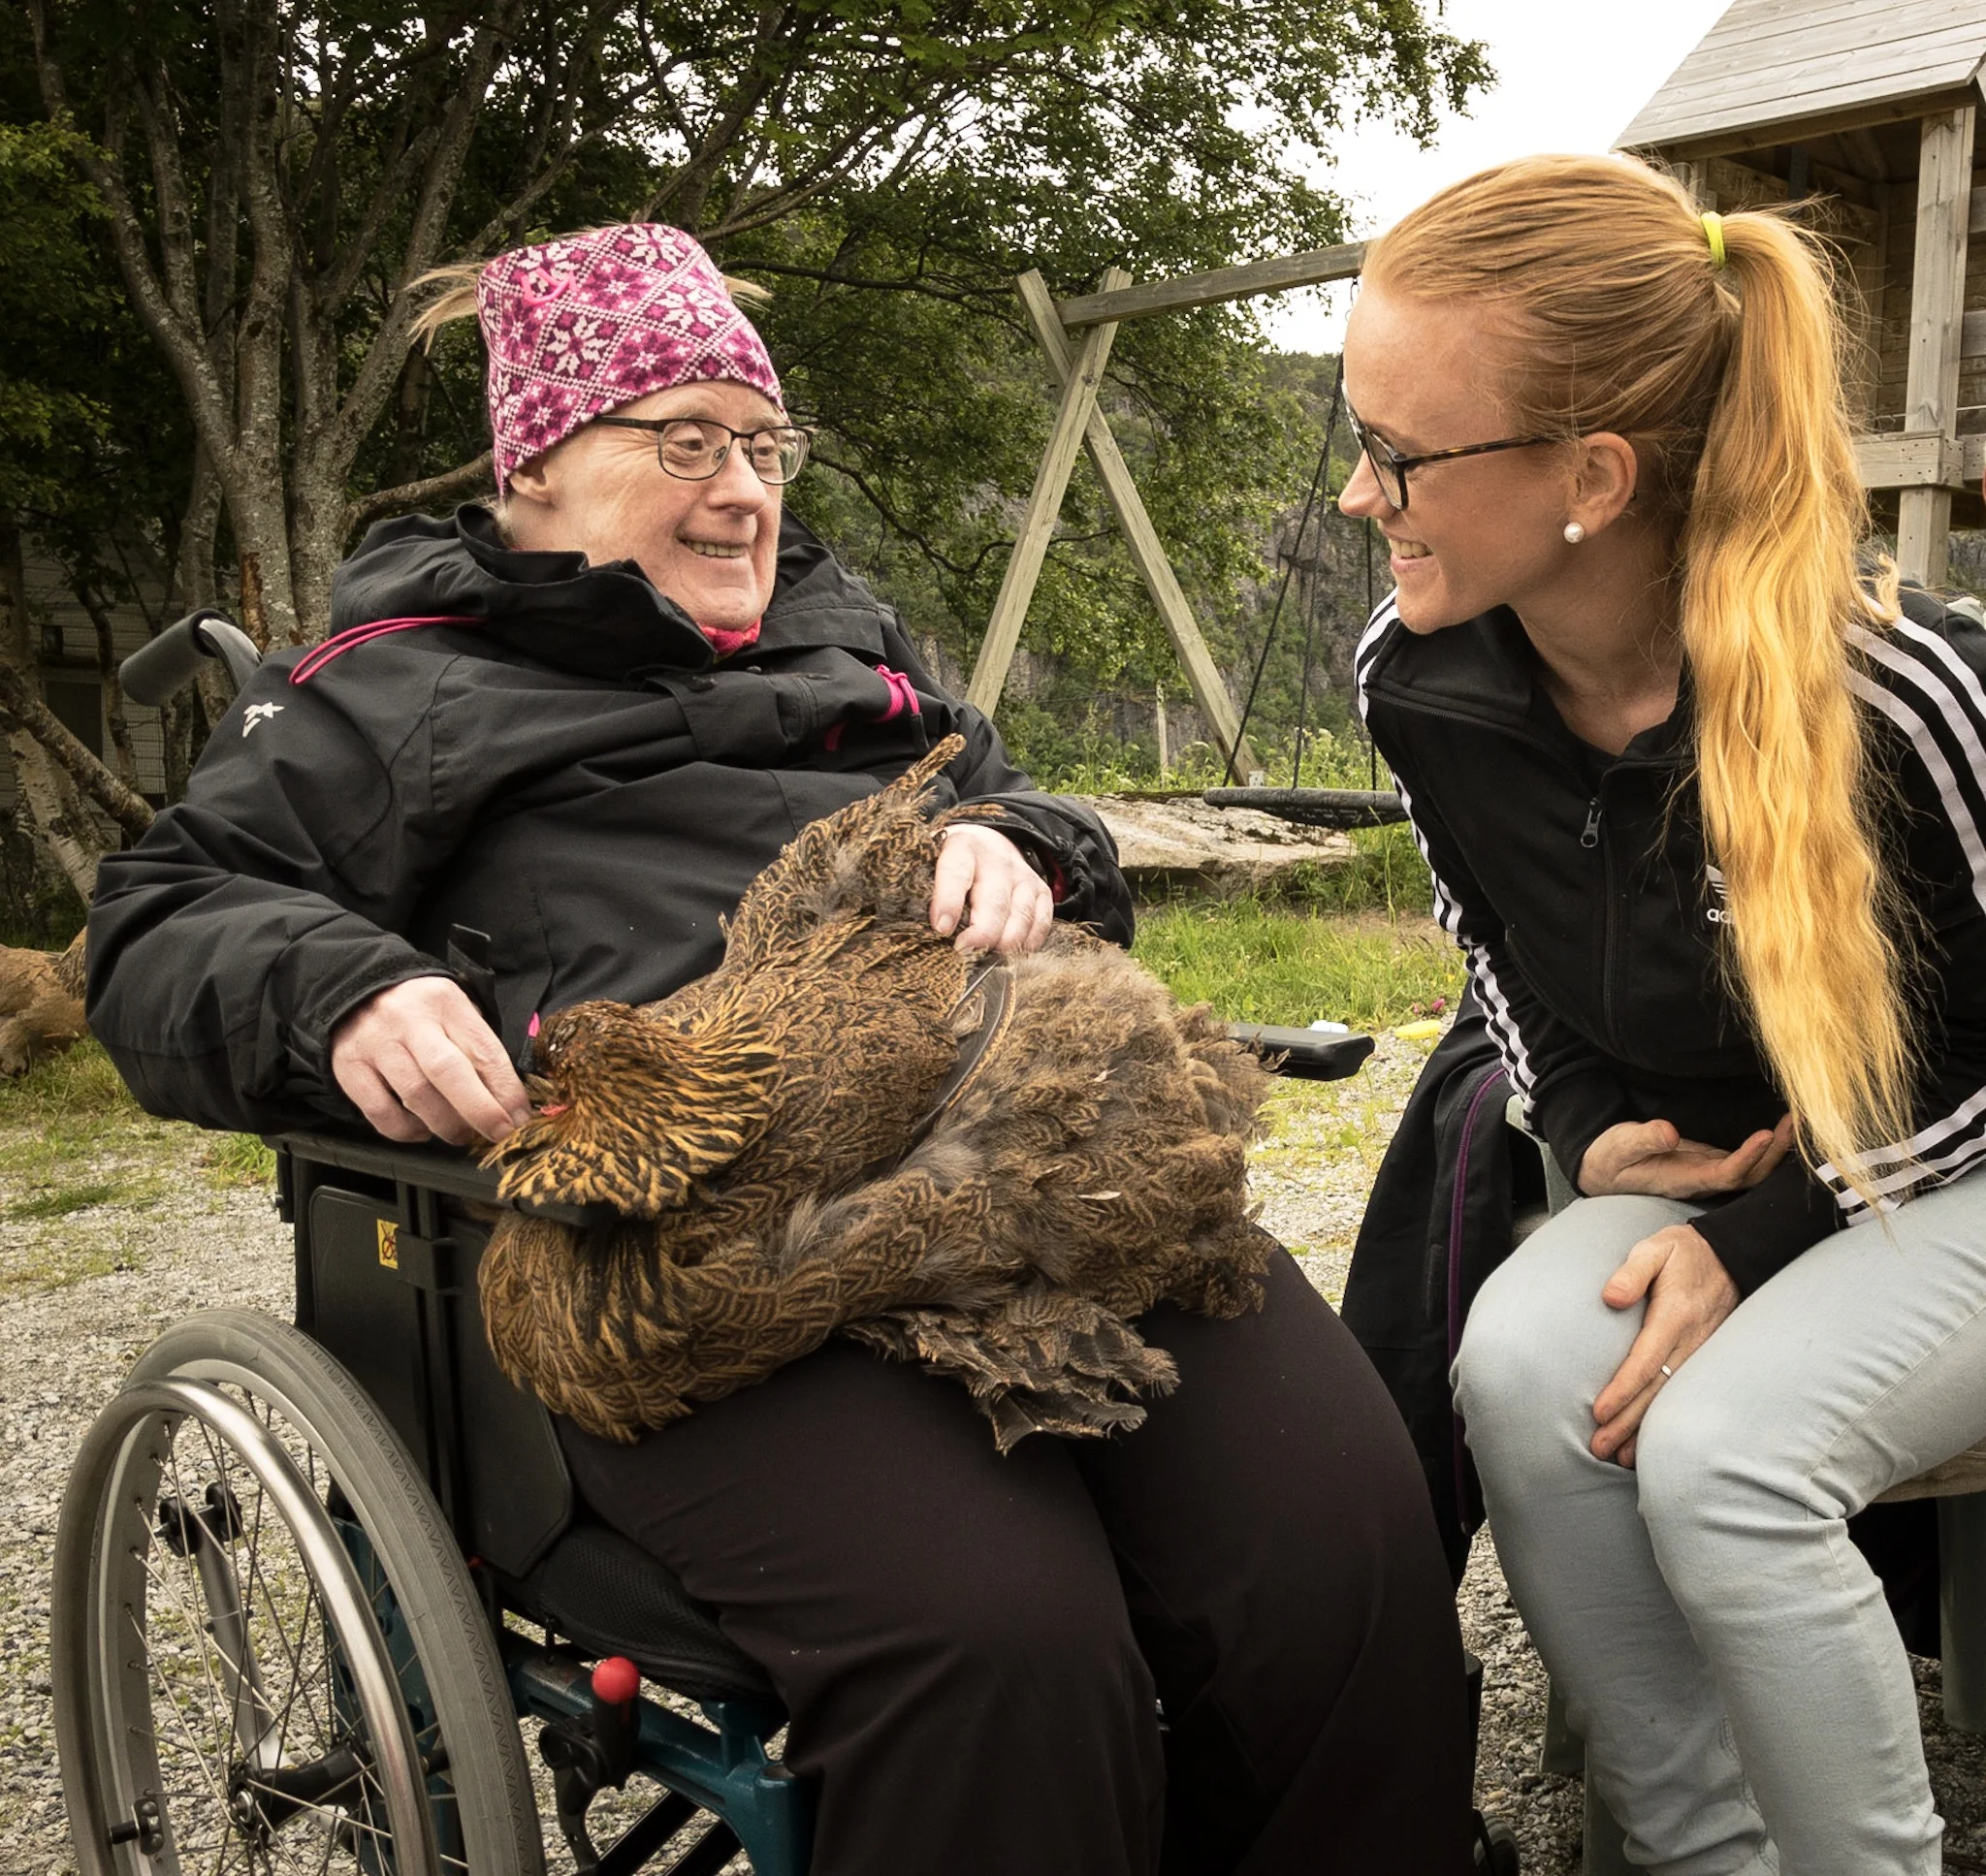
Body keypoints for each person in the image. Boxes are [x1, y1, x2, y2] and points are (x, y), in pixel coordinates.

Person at [87, 222, 1478, 1875]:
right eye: (682, 442)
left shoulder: (855, 648)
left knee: (1339, 1531)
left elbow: (1030, 813)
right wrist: (338, 985)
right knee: (997, 1639)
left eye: (759, 444)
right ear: (537, 461)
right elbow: (163, 920)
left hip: (1021, 1184)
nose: (744, 489)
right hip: (701, 1254)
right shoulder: (395, 691)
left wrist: (1027, 844)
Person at [1339, 151, 1986, 1875]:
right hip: (1749, 1158)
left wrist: (1767, 1235)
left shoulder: (1896, 692)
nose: (1356, 492)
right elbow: (1488, 930)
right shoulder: (1414, 676)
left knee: (1723, 1458)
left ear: (1592, 478)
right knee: (1522, 1359)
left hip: (1952, 1164)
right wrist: (1569, 1108)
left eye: (1397, 452)